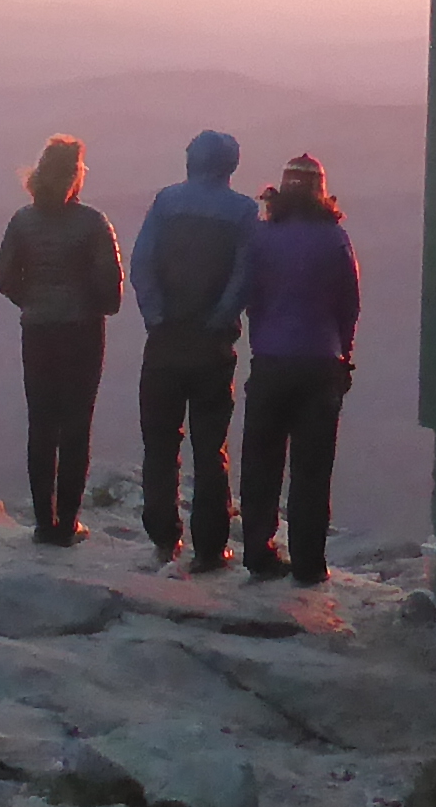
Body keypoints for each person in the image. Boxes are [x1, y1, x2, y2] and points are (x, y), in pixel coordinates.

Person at [120, 128, 260, 571]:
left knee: (159, 440)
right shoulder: (243, 212)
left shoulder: (165, 203)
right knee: (209, 445)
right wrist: (218, 321)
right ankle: (210, 547)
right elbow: (244, 277)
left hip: (164, 342)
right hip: (212, 348)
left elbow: (141, 264)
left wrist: (158, 316)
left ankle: (163, 537)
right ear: (230, 165)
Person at [233, 149, 359, 585]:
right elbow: (349, 304)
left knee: (261, 462)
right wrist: (345, 353)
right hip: (321, 365)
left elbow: (247, 292)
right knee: (311, 469)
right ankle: (308, 564)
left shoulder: (262, 238)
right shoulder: (335, 239)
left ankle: (258, 551)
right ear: (320, 193)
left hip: (270, 361)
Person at [0, 135, 123, 544]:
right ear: (75, 175)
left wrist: (32, 301)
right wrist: (91, 305)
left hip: (38, 330)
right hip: (82, 333)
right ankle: (68, 522)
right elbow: (112, 290)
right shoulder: (92, 223)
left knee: (42, 423)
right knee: (76, 426)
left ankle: (42, 523)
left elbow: (4, 278)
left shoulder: (22, 221)